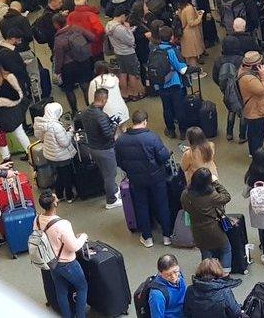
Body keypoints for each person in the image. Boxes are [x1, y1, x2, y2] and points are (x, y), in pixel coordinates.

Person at [115, 110, 173, 247]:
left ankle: (147, 238)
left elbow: (119, 161)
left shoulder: (121, 140)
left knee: (141, 206)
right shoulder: (152, 137)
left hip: (136, 179)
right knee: (162, 205)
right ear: (145, 121)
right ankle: (166, 236)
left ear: (133, 122)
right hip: (156, 177)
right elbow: (163, 156)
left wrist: (130, 170)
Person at [36, 189, 89, 318]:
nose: (58, 200)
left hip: (52, 262)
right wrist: (83, 236)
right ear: (54, 204)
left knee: (61, 290)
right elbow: (74, 247)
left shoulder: (37, 219)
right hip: (67, 264)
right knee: (82, 287)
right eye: (56, 199)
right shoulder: (62, 224)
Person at [180, 168, 232, 272]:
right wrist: (216, 183)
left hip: (197, 230)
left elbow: (185, 208)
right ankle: (225, 274)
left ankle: (207, 275)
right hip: (213, 229)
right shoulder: (211, 196)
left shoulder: (185, 194)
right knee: (226, 249)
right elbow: (227, 197)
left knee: (206, 252)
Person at [79, 87, 121, 209]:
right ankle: (111, 200)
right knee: (110, 174)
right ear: (103, 100)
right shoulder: (100, 116)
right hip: (105, 149)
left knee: (105, 172)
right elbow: (108, 135)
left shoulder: (86, 112)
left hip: (93, 147)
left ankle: (113, 190)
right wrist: (114, 124)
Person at [151, 26, 191, 139]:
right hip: (175, 84)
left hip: (161, 85)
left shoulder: (154, 50)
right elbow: (182, 69)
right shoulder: (172, 51)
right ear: (172, 37)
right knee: (179, 108)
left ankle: (171, 130)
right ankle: (183, 132)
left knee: (167, 108)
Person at [51, 13, 96, 114]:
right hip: (84, 61)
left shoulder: (58, 40)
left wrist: (57, 72)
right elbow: (92, 37)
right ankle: (91, 110)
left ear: (56, 24)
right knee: (85, 86)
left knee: (69, 89)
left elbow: (59, 58)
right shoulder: (77, 28)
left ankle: (75, 112)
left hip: (68, 67)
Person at [35, 102, 78, 202]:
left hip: (50, 155)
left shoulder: (41, 123)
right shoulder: (56, 126)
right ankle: (69, 196)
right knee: (66, 176)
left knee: (59, 174)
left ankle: (58, 194)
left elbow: (41, 137)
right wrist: (70, 132)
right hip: (62, 156)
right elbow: (64, 143)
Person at [0, 59, 31, 162]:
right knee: (19, 132)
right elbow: (18, 95)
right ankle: (30, 152)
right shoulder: (9, 77)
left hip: (1, 114)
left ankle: (6, 158)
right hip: (14, 111)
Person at [238, 51, 264, 154]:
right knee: (257, 135)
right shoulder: (248, 78)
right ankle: (257, 155)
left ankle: (254, 153)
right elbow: (262, 90)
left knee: (253, 134)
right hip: (255, 111)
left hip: (254, 109)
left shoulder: (245, 70)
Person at [149, 254, 188, 318]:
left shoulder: (179, 275)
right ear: (160, 273)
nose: (174, 277)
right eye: (168, 275)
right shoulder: (157, 295)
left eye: (175, 272)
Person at [176, 0, 205, 68]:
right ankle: (194, 71)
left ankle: (191, 69)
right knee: (193, 54)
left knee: (189, 54)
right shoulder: (188, 8)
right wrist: (200, 17)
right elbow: (191, 23)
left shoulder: (180, 7)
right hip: (190, 33)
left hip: (184, 32)